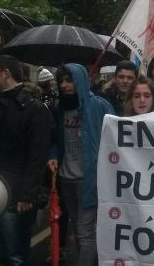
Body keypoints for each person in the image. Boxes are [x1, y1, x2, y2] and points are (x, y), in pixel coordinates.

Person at [0, 55, 54, 266]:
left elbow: (37, 155)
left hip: (16, 194)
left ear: (5, 73)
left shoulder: (35, 110)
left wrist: (27, 194)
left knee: (14, 253)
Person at [49, 64, 114, 266]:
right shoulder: (59, 107)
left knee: (85, 233)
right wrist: (52, 155)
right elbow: (53, 138)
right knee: (79, 230)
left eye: (70, 80)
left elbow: (114, 136)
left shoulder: (99, 106)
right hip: (66, 179)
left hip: (90, 180)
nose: (65, 85)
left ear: (80, 80)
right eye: (61, 81)